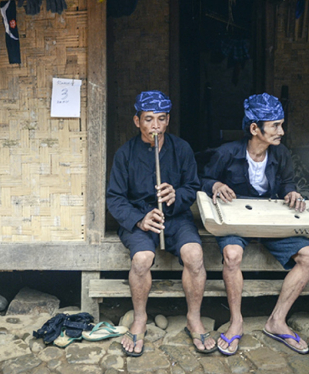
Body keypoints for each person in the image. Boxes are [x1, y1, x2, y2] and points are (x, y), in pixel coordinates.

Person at [200, 93, 309, 356]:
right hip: (236, 220)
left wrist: (292, 193)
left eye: (281, 124)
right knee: (232, 254)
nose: (282, 131)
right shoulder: (227, 153)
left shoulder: (281, 154)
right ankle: (236, 322)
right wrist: (217, 185)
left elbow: (288, 182)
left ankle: (277, 321)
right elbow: (204, 179)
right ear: (255, 128)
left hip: (270, 220)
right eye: (275, 125)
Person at [107, 90, 217, 357]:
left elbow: (192, 187)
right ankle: (140, 317)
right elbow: (115, 198)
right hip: (140, 217)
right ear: (137, 121)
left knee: (194, 254)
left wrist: (176, 195)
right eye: (148, 119)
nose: (155, 126)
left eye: (161, 119)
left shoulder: (182, 149)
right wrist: (139, 219)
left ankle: (193, 317)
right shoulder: (125, 154)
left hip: (175, 216)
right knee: (142, 258)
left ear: (168, 120)